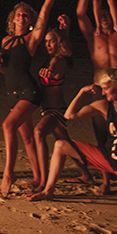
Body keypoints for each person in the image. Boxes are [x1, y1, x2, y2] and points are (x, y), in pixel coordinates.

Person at [29, 68, 117, 211]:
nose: (103, 93)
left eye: (106, 88)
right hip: (108, 158)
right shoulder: (104, 106)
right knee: (60, 145)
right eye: (102, 89)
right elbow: (69, 115)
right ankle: (48, 191)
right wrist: (81, 92)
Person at [0, 0, 70, 195]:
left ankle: (9, 173)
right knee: (27, 137)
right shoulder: (6, 40)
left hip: (29, 93)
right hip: (12, 93)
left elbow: (45, 12)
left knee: (7, 126)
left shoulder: (30, 39)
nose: (21, 17)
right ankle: (39, 178)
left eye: (25, 15)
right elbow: (6, 70)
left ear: (30, 22)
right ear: (12, 18)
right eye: (18, 14)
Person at [30, 17, 91, 185]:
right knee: (66, 143)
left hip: (56, 111)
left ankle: (43, 181)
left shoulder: (58, 61)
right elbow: (64, 40)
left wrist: (50, 74)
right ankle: (87, 174)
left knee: (38, 132)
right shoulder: (53, 58)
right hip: (49, 109)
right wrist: (66, 28)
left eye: (52, 42)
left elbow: (54, 71)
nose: (48, 45)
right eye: (47, 41)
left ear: (59, 43)